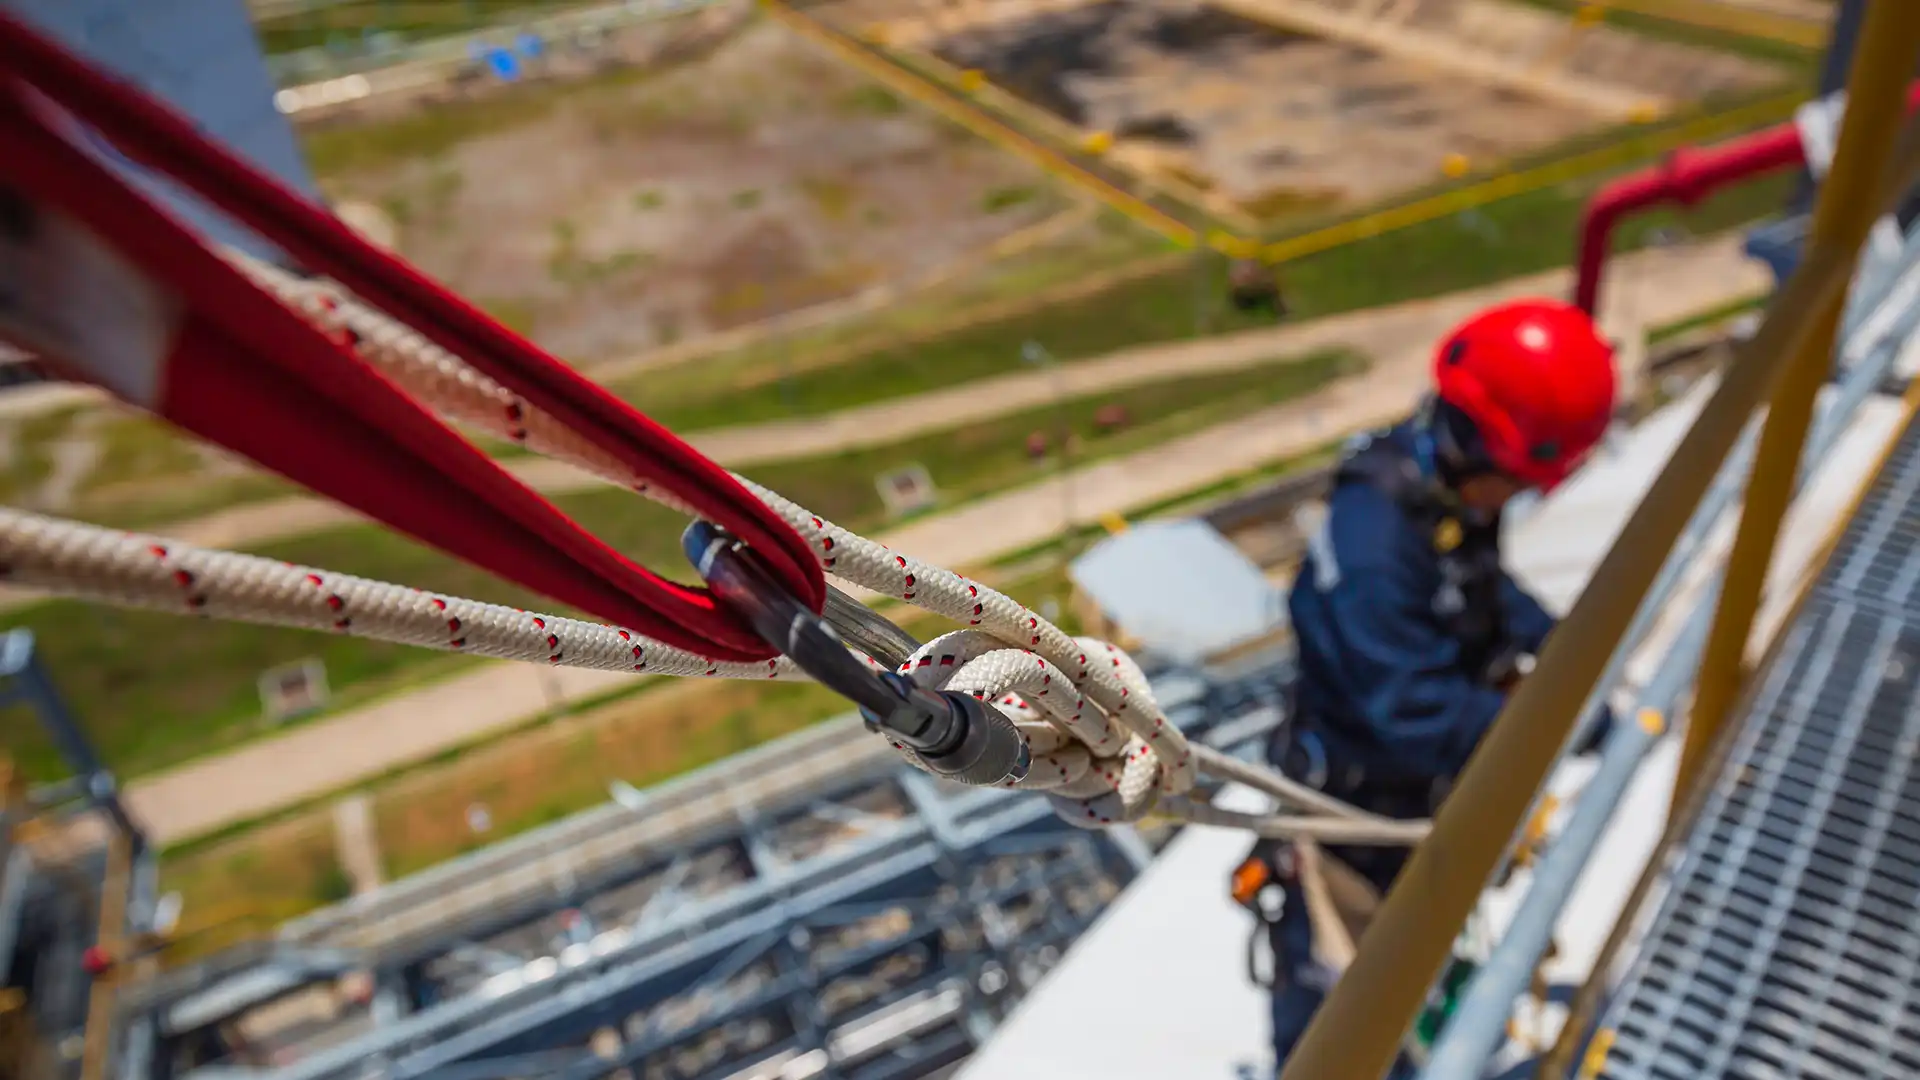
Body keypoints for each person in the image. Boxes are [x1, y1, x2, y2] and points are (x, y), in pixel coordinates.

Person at [1240, 297, 1620, 1078]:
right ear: (1486, 448)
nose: (1516, 499)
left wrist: (1560, 649)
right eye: (1516, 484)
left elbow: (1478, 586)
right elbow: (1409, 714)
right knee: (1338, 1025)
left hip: (1410, 807)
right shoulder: (1375, 544)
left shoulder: (1433, 486)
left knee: (1414, 992)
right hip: (1355, 826)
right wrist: (1553, 724)